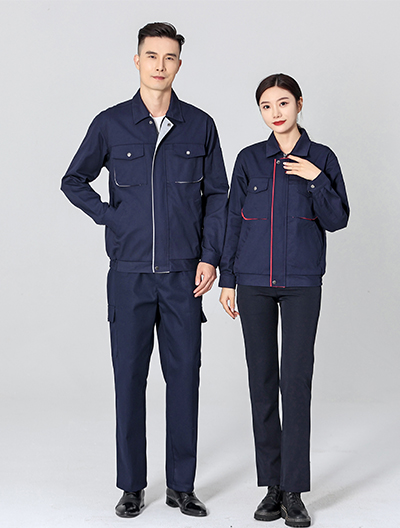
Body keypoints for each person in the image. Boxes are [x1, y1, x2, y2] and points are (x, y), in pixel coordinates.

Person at [61, 22, 228, 518]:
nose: (160, 65)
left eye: (169, 57)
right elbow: (74, 180)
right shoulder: (111, 123)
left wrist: (210, 256)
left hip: (183, 276)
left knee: (185, 380)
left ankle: (181, 486)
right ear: (137, 61)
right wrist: (111, 217)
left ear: (179, 64)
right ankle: (132, 485)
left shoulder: (200, 125)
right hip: (129, 275)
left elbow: (217, 196)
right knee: (129, 381)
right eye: (152, 56)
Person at [219, 73, 349, 527]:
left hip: (301, 284)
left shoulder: (322, 158)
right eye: (266, 106)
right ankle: (271, 486)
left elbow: (337, 220)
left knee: (295, 383)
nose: (275, 112)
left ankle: (293, 491)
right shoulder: (249, 160)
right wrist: (228, 279)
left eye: (283, 103)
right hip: (253, 283)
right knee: (261, 382)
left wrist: (315, 179)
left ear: (299, 104)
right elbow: (233, 221)